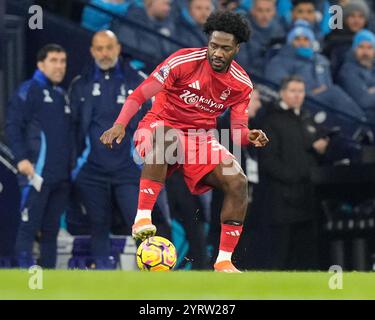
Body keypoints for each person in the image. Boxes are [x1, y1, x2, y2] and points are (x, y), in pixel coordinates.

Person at [100, 10, 269, 272]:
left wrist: (249, 136)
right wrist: (120, 124)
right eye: (213, 45)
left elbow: (237, 131)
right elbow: (139, 95)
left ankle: (224, 260)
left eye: (225, 48)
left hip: (200, 140)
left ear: (236, 48)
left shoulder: (241, 84)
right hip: (158, 126)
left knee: (237, 181)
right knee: (167, 138)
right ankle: (142, 218)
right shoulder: (183, 61)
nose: (217, 53)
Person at [69, 31, 171, 268]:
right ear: (92, 51)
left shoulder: (137, 80)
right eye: (99, 48)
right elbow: (73, 129)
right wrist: (74, 166)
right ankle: (105, 277)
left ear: (118, 48)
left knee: (141, 224)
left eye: (109, 47)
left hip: (128, 169)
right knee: (98, 224)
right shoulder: (80, 84)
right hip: (91, 169)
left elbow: (157, 119)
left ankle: (153, 272)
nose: (104, 53)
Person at [5, 44, 72, 268]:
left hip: (60, 177)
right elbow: (12, 127)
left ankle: (48, 280)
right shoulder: (29, 90)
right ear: (40, 64)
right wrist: (21, 159)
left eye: (62, 61)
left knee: (51, 230)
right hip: (36, 173)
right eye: (53, 60)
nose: (59, 66)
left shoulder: (62, 95)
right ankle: (26, 279)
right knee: (28, 226)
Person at [255, 75, 328, 270]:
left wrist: (319, 149)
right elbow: (268, 160)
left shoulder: (306, 118)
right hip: (282, 199)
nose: (297, 96)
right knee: (281, 253)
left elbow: (308, 152)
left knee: (306, 253)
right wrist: (292, 178)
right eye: (293, 91)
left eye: (301, 91)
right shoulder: (270, 120)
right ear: (282, 93)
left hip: (307, 197)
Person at [265, 20, 367, 122]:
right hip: (302, 101)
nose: (302, 43)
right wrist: (308, 92)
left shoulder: (321, 60)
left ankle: (361, 122)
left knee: (335, 97)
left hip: (324, 102)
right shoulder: (280, 61)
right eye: (297, 39)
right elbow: (277, 86)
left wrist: (324, 90)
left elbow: (327, 85)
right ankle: (362, 122)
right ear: (290, 41)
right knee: (334, 93)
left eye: (306, 39)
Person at [235, 0, 286, 76]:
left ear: (274, 11)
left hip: (272, 78)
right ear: (252, 11)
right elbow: (242, 63)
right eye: (260, 10)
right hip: (249, 77)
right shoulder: (242, 29)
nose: (264, 15)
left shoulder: (280, 31)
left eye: (268, 10)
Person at [337, 29, 375, 123]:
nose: (365, 52)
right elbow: (363, 101)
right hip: (360, 121)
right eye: (361, 47)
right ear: (354, 49)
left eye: (369, 48)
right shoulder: (348, 70)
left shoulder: (373, 68)